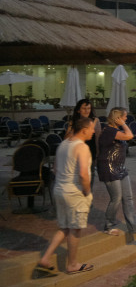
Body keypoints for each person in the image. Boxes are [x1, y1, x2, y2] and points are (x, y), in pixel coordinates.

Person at [35, 117, 95, 276]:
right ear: (84, 130)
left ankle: (45, 259)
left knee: (64, 227)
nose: (93, 131)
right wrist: (87, 192)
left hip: (59, 190)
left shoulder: (63, 144)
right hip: (74, 193)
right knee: (75, 229)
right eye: (91, 129)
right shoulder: (82, 147)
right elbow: (83, 174)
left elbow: (55, 169)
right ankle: (72, 264)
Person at [97, 107, 136, 236]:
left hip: (120, 167)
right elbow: (129, 136)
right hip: (108, 168)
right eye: (124, 116)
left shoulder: (115, 131)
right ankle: (109, 225)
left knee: (128, 197)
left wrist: (122, 124)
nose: (126, 118)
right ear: (117, 118)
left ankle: (134, 226)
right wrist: (123, 124)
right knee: (116, 198)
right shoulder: (109, 131)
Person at [67, 99, 102, 187]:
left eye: (89, 108)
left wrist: (98, 154)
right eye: (84, 108)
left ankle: (87, 192)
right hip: (76, 153)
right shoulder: (73, 122)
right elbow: (66, 138)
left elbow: (98, 139)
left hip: (91, 152)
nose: (87, 111)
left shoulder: (95, 121)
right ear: (78, 110)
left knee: (90, 177)